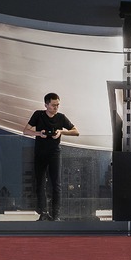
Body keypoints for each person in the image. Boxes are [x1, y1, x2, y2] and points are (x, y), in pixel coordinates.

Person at [24, 92, 78, 220]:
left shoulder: (61, 117)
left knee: (56, 185)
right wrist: (39, 133)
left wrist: (61, 132)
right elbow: (25, 131)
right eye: (53, 105)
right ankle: (43, 213)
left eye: (58, 105)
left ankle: (56, 215)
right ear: (46, 105)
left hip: (55, 153)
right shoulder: (38, 115)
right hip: (40, 153)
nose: (56, 107)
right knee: (40, 184)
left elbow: (76, 131)